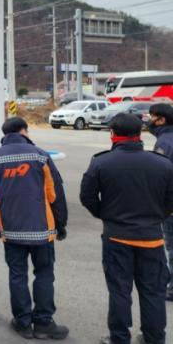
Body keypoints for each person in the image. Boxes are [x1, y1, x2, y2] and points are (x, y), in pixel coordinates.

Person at [80, 112, 173, 344]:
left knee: (119, 291)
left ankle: (119, 338)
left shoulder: (101, 162)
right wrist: (157, 216)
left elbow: (87, 197)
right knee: (153, 292)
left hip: (117, 237)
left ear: (112, 134)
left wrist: (106, 215)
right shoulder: (163, 164)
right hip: (151, 238)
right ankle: (154, 338)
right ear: (139, 133)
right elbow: (170, 201)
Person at [0, 117, 69, 340]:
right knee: (44, 274)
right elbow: (54, 194)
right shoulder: (40, 156)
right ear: (24, 131)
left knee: (17, 275)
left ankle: (22, 323)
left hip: (11, 230)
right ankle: (43, 323)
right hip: (42, 229)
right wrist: (60, 224)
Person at [147, 102, 173, 302]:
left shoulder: (164, 143)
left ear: (161, 120)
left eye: (151, 117)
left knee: (171, 247)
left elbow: (161, 175)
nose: (148, 120)